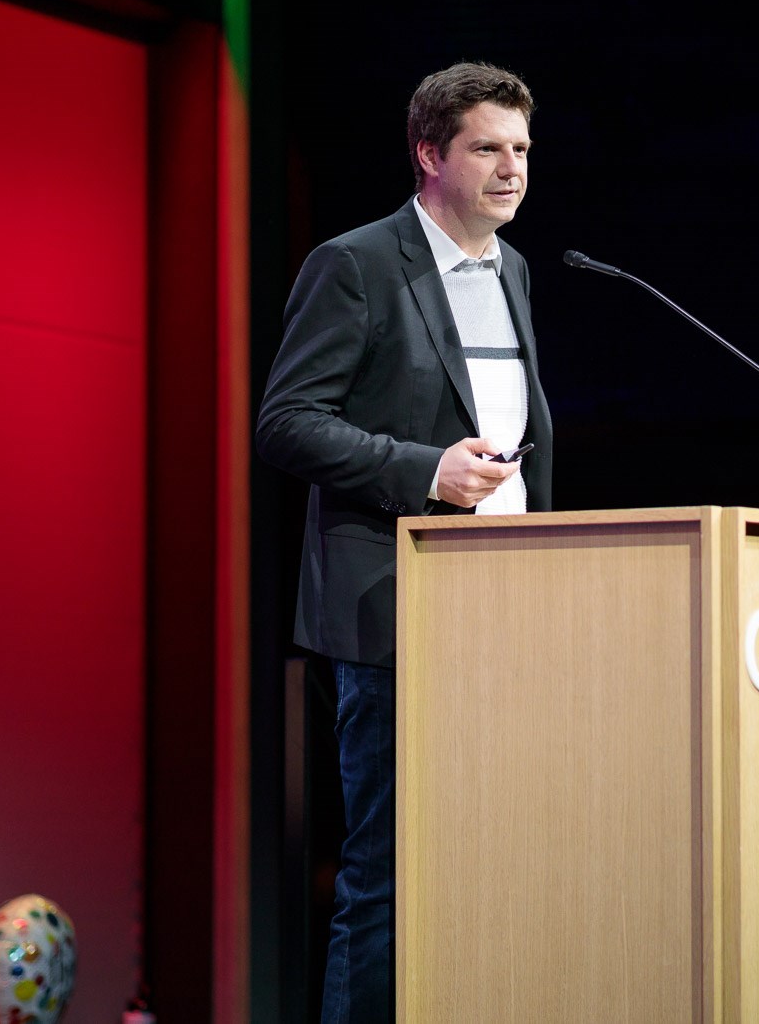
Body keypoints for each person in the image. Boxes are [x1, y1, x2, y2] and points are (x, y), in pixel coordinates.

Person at [255, 60, 553, 1023]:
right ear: (429, 153)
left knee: (486, 864)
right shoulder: (356, 265)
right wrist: (426, 471)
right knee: (388, 874)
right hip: (398, 611)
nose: (511, 169)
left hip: (506, 612)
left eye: (521, 149)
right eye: (487, 148)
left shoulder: (513, 271)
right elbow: (287, 422)